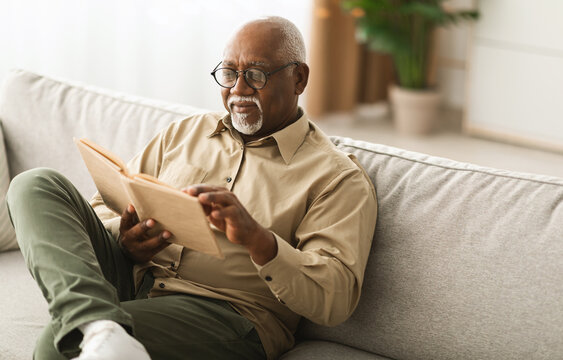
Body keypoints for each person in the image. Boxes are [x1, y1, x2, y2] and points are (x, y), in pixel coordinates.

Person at [6, 16, 377, 360]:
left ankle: (93, 328)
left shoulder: (336, 177)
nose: (238, 89)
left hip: (227, 312)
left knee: (59, 344)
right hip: (134, 276)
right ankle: (99, 324)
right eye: (229, 73)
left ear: (299, 78)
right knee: (35, 184)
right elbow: (106, 204)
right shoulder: (188, 131)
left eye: (257, 75)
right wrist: (124, 238)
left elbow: (335, 297)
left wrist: (258, 240)